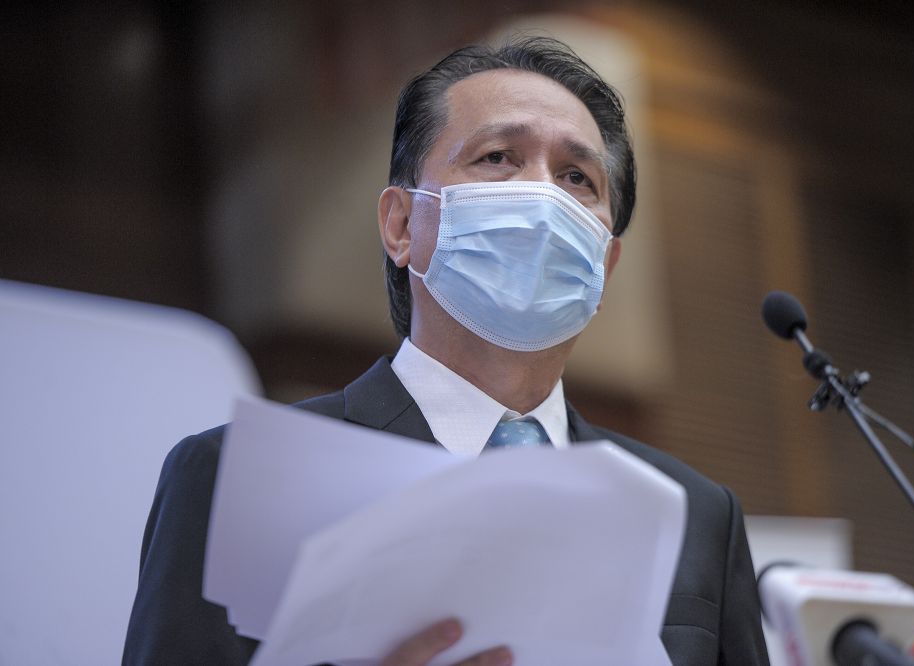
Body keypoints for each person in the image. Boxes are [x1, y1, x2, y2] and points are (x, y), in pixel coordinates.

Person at [123, 37, 769, 665]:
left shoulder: (697, 514)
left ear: (606, 263)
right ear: (401, 226)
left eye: (577, 176)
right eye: (496, 157)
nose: (543, 198)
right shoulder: (239, 480)